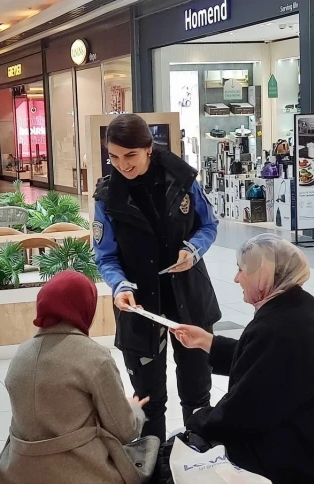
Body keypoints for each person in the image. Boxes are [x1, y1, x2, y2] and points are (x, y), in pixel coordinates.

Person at [172, 235, 314, 484]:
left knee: (190, 448)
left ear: (263, 277)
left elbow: (244, 412)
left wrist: (199, 419)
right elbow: (265, 364)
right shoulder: (308, 311)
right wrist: (209, 342)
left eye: (241, 270)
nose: (236, 279)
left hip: (306, 464)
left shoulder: (275, 329)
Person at [93, 113, 221, 442]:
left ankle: (198, 461)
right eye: (114, 157)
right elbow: (105, 255)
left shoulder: (182, 179)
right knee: (149, 401)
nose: (122, 165)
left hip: (189, 298)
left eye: (130, 155)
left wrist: (192, 250)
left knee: (197, 394)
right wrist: (119, 286)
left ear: (148, 148)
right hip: (139, 306)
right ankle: (152, 471)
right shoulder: (108, 197)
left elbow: (208, 225)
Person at [0, 270, 157, 484]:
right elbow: (124, 430)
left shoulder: (21, 355)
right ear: (85, 307)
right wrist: (135, 411)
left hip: (17, 481)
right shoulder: (94, 357)